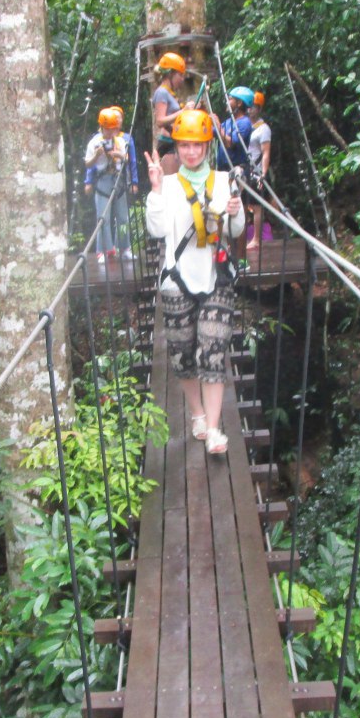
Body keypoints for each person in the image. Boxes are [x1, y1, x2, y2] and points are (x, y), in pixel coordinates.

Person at [145, 108, 246, 456]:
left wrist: (236, 210)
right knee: (182, 354)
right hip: (177, 279)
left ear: (207, 146)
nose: (191, 151)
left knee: (213, 351)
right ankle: (197, 414)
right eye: (184, 145)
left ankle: (215, 429)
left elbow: (235, 231)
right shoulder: (169, 185)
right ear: (178, 146)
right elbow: (156, 231)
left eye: (197, 145)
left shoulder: (223, 180)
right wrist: (156, 190)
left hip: (216, 277)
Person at [84, 106, 135, 264]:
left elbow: (127, 159)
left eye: (113, 129)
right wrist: (97, 156)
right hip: (103, 181)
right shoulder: (94, 143)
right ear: (102, 127)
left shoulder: (119, 141)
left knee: (123, 219)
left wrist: (119, 154)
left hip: (118, 181)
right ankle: (104, 251)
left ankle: (125, 248)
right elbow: (88, 164)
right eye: (107, 129)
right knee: (103, 219)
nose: (110, 133)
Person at [151, 52, 191, 165]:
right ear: (171, 74)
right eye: (180, 75)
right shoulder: (162, 92)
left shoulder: (169, 93)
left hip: (174, 141)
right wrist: (183, 111)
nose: (182, 79)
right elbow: (160, 120)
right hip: (167, 144)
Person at [245, 90, 273, 249]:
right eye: (249, 106)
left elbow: (265, 153)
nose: (250, 110)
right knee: (242, 204)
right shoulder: (243, 125)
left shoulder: (263, 129)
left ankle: (256, 238)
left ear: (259, 109)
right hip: (244, 170)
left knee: (256, 206)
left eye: (254, 107)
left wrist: (263, 174)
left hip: (256, 171)